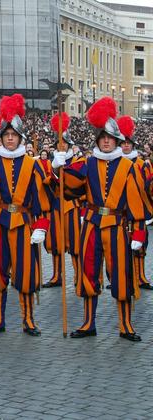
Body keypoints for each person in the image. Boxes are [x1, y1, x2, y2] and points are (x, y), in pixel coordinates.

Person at [56, 97, 151, 341]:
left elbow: (136, 204)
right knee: (88, 273)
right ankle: (89, 323)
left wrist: (139, 233)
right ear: (97, 140)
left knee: (121, 276)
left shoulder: (129, 168)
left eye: (110, 138)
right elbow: (70, 188)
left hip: (118, 228)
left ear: (118, 141)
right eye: (102, 138)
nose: (106, 141)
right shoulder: (87, 163)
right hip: (91, 226)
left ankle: (125, 325)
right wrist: (59, 168)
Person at [0, 94, 51, 336]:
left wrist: (42, 226)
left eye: (14, 135)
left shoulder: (32, 164)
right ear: (1, 139)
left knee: (26, 272)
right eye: (6, 135)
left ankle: (28, 319)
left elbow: (42, 200)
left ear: (20, 138)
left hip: (24, 222)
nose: (10, 138)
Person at [42, 113, 82, 289]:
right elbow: (46, 185)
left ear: (70, 145)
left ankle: (78, 275)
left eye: (65, 143)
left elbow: (81, 184)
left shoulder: (77, 161)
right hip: (56, 205)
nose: (62, 145)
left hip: (73, 206)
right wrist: (54, 170)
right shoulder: (50, 163)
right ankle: (57, 275)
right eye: (59, 143)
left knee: (75, 244)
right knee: (55, 243)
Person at [117, 115, 153, 290]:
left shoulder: (142, 164)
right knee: (122, 246)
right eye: (123, 142)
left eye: (128, 143)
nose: (125, 145)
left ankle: (141, 278)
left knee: (141, 246)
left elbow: (149, 188)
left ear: (133, 145)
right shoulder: (115, 164)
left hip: (138, 211)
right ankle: (125, 278)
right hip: (121, 212)